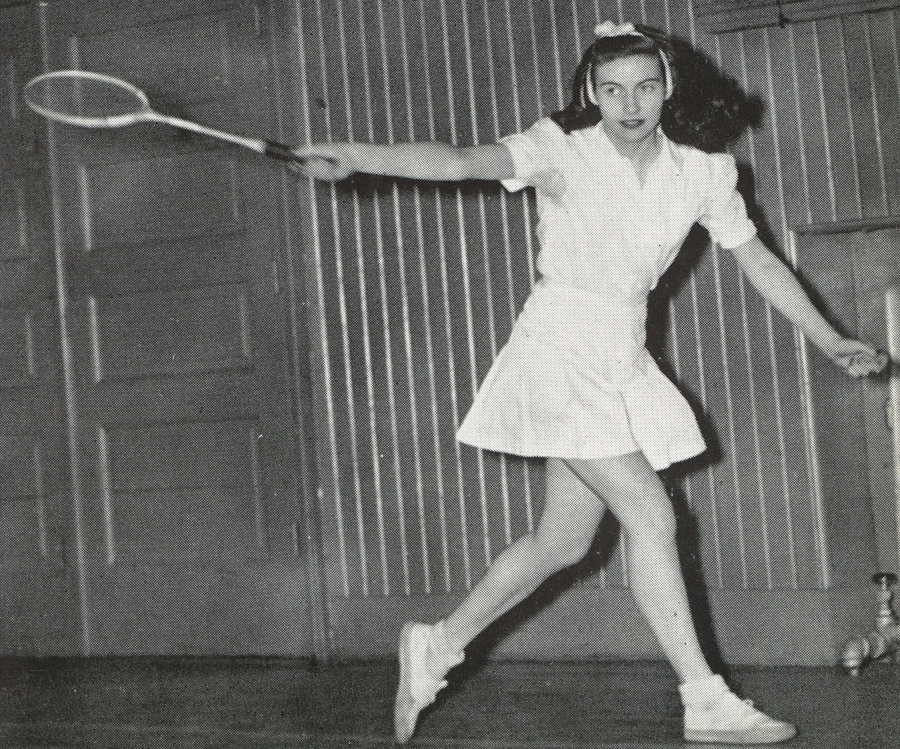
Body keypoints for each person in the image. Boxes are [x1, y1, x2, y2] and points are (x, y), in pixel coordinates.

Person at [291, 21, 888, 745]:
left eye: (644, 86)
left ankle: (437, 644)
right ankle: (705, 697)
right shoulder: (560, 150)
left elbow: (759, 261)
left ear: (669, 86)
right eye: (611, 90)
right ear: (591, 93)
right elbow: (457, 162)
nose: (629, 103)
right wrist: (355, 155)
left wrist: (830, 339)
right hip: (558, 346)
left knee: (562, 543)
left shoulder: (702, 170)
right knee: (651, 513)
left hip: (621, 353)